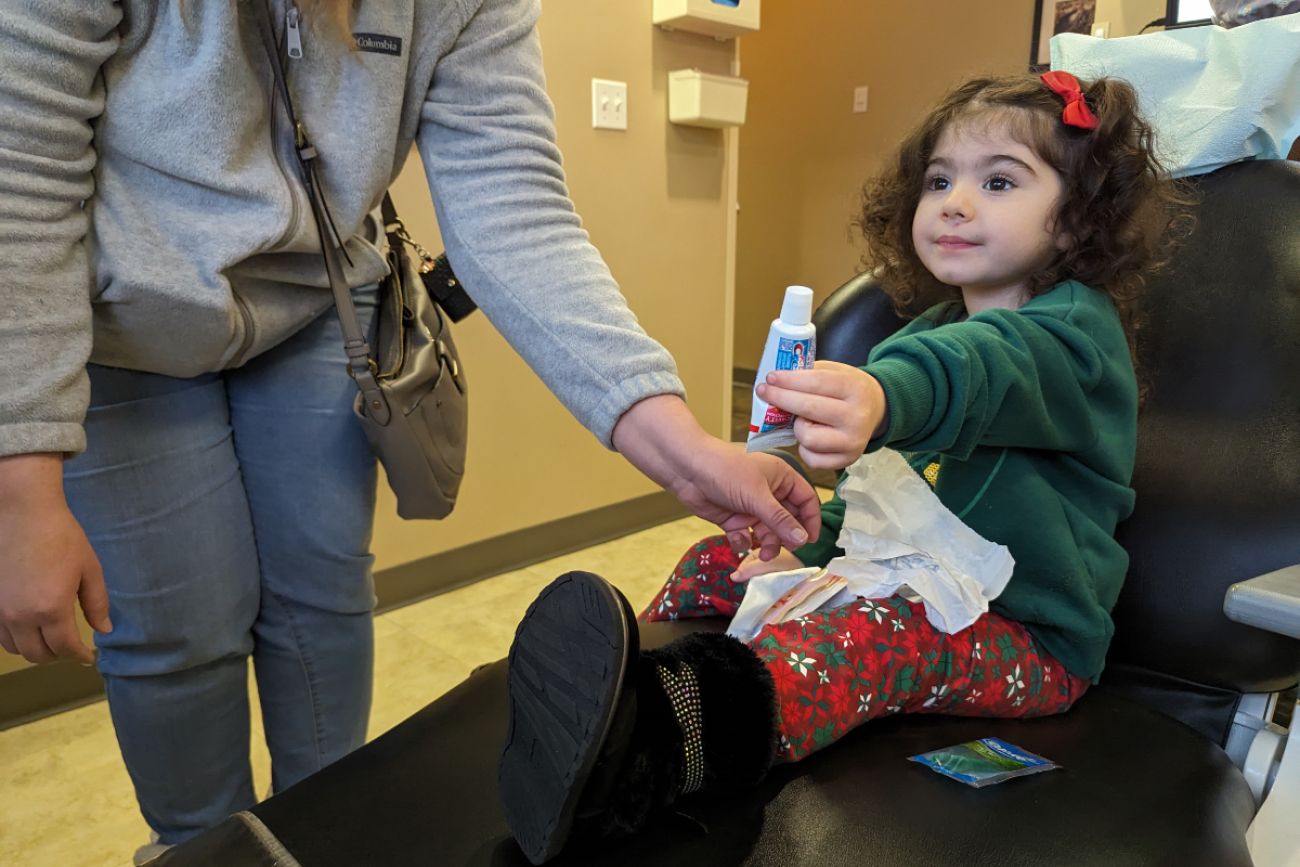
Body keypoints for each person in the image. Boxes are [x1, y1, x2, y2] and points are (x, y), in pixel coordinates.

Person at [0, 2, 820, 861]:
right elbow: (19, 173)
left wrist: (681, 445)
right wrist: (24, 474)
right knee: (175, 636)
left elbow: (514, 208)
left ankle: (329, 835)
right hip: (120, 320)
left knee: (322, 602)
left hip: (321, 308)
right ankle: (199, 849)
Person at [498, 70, 1195, 864]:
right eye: (940, 180)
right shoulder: (923, 333)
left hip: (1025, 638)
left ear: (1078, 220)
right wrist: (806, 541)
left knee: (868, 637)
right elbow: (886, 504)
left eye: (998, 180)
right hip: (907, 584)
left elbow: (985, 367)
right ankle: (621, 690)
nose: (955, 201)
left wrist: (881, 392)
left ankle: (663, 744)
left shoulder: (1076, 339)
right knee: (726, 556)